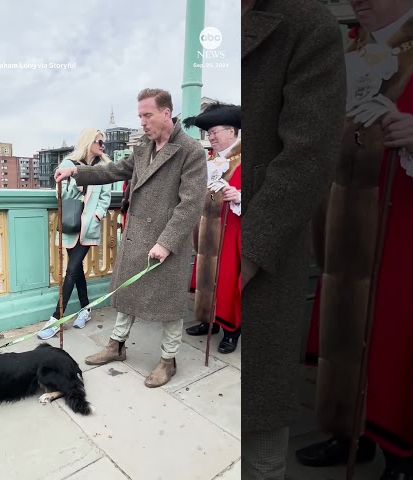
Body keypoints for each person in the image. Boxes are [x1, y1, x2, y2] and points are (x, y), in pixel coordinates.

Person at [296, 1, 413, 478]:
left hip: (404, 224)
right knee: (344, 332)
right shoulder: (350, 55)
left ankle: (403, 451)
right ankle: (348, 432)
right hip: (342, 226)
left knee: (393, 336)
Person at [241, 0, 347, 478]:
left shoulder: (307, 23)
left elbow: (309, 154)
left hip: (264, 252)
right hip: (213, 256)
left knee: (260, 437)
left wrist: (251, 248)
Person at [54, 88, 206, 388]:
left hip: (166, 242)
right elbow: (111, 171)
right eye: (139, 116)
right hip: (137, 236)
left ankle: (168, 360)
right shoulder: (142, 148)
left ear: (166, 113)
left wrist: (167, 241)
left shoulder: (191, 151)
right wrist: (75, 171)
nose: (142, 122)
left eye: (147, 115)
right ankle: (116, 346)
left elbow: (191, 204)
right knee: (127, 296)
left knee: (169, 306)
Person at [37, 128, 112, 340]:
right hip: (70, 225)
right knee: (76, 269)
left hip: (88, 226)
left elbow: (105, 198)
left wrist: (97, 215)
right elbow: (59, 194)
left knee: (71, 269)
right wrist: (79, 183)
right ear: (89, 142)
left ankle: (55, 319)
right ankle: (85, 309)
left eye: (103, 143)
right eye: (99, 142)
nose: (102, 146)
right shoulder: (68, 165)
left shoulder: (103, 169)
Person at [183, 101, 242, 354]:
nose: (211, 137)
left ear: (232, 131)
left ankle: (232, 330)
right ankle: (209, 322)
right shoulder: (212, 161)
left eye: (215, 132)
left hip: (232, 231)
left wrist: (239, 195)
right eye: (208, 133)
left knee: (228, 280)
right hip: (208, 232)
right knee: (208, 279)